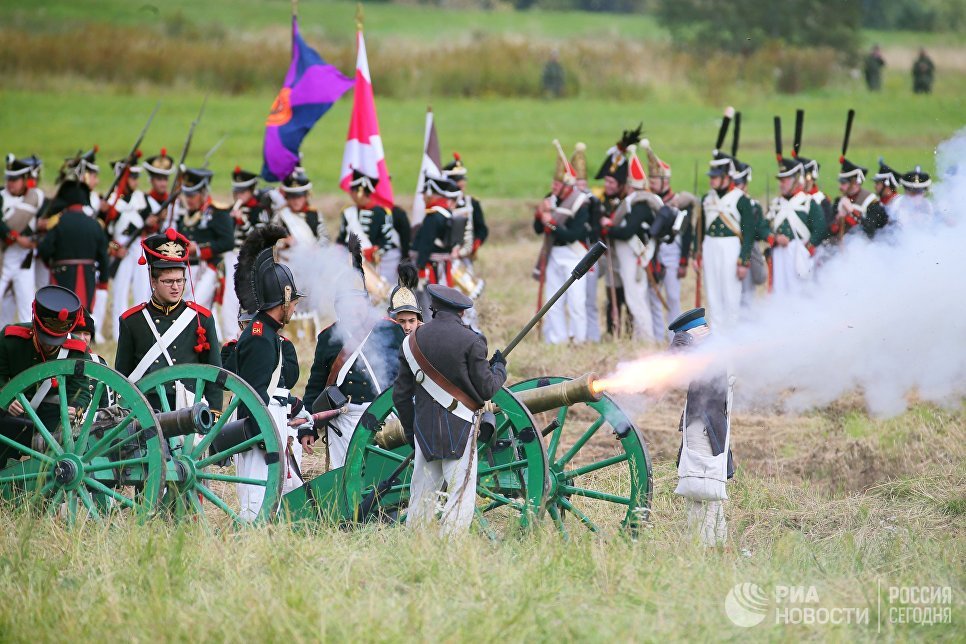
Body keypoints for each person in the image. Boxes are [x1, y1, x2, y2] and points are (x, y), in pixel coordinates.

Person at [393, 284, 507, 536]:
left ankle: (416, 547)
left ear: (432, 308)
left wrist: (414, 433)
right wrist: (499, 368)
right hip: (461, 425)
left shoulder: (411, 341)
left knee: (421, 495)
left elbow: (400, 396)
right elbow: (487, 389)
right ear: (462, 313)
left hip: (424, 430)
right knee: (460, 494)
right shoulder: (472, 341)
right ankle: (450, 550)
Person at [232, 224, 312, 515]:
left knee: (275, 499)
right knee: (256, 503)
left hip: (271, 427)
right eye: (293, 302)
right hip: (258, 435)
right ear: (284, 299)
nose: (295, 309)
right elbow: (254, 396)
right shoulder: (259, 337)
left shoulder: (267, 333)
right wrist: (263, 438)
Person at [302, 234, 394, 470]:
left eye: (357, 303)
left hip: (385, 413)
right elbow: (317, 383)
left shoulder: (388, 330)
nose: (352, 310)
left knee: (384, 472)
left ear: (366, 304)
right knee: (344, 474)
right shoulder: (328, 338)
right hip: (346, 417)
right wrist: (309, 427)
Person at [114, 230, 223, 412]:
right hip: (148, 409)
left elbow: (213, 374)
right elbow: (123, 376)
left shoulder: (201, 319)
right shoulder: (132, 321)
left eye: (180, 281)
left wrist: (214, 414)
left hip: (189, 408)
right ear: (153, 281)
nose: (176, 287)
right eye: (168, 281)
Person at [0, 285, 91, 465]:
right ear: (35, 322)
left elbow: (81, 390)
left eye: (56, 339)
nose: (50, 345)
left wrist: (75, 407)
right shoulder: (10, 340)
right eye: (45, 337)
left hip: (53, 417)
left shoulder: (77, 351)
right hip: (13, 416)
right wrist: (7, 399)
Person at [669, 308, 734, 548]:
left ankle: (703, 542)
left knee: (699, 485)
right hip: (710, 424)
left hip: (702, 425)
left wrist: (683, 342)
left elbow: (674, 361)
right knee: (707, 486)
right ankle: (715, 539)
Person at [696, 109, 756, 331]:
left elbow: (748, 232)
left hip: (731, 246)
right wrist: (696, 251)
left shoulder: (740, 200)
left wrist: (744, 259)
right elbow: (700, 228)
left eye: (716, 177)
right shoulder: (707, 199)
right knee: (713, 296)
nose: (712, 181)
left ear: (726, 178)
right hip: (710, 245)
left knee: (731, 297)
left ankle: (731, 342)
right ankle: (717, 340)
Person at [600, 144, 660, 341]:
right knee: (636, 297)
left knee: (636, 299)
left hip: (633, 257)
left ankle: (646, 338)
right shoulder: (638, 202)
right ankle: (639, 337)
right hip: (632, 256)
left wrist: (609, 228)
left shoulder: (639, 203)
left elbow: (627, 232)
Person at [37, 159, 110, 313]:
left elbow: (45, 249)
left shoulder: (58, 223)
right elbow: (103, 254)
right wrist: (103, 280)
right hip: (88, 275)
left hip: (60, 273)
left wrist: (49, 263)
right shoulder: (95, 224)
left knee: (60, 313)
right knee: (83, 315)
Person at [534, 144, 590, 344]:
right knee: (553, 301)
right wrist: (541, 216)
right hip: (553, 254)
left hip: (573, 254)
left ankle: (579, 339)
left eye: (558, 185)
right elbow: (538, 229)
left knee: (576, 302)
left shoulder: (580, 202)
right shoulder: (549, 200)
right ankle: (557, 339)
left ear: (568, 186)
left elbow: (573, 234)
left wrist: (549, 221)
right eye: (554, 184)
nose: (554, 188)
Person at [643, 139, 696, 341]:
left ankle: (677, 338)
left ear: (666, 181)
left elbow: (688, 232)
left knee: (673, 297)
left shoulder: (680, 202)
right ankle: (658, 337)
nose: (652, 183)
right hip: (655, 254)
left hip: (673, 253)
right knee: (654, 296)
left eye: (656, 180)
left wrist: (684, 261)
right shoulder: (650, 202)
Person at [765, 148, 827, 295]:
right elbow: (763, 226)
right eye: (781, 180)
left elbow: (820, 228)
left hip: (799, 252)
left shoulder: (808, 202)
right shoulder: (776, 204)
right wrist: (774, 238)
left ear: (795, 181)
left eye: (784, 180)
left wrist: (808, 248)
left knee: (800, 293)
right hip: (779, 253)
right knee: (779, 292)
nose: (781, 184)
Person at [173, 167, 233, 311]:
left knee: (195, 308)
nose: (189, 200)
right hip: (189, 269)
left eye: (192, 195)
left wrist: (199, 250)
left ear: (202, 193)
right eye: (186, 195)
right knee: (203, 313)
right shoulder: (183, 214)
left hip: (210, 268)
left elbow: (227, 242)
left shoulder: (217, 212)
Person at [220, 166, 267, 342]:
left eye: (243, 191)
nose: (239, 195)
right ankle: (231, 336)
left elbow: (260, 237)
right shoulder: (231, 209)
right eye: (237, 191)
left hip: (251, 258)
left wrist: (244, 221)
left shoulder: (259, 210)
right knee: (230, 298)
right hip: (232, 256)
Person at [104, 157, 148, 342]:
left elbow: (148, 222)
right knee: (120, 292)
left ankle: (141, 332)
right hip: (121, 246)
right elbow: (105, 233)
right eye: (132, 177)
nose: (135, 181)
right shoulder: (112, 201)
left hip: (137, 246)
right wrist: (115, 249)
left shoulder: (141, 198)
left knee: (142, 290)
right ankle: (118, 334)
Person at [0, 155, 46, 326]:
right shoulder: (1, 196)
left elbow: (42, 223)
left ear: (25, 179)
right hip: (3, 259)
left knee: (27, 309)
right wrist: (18, 238)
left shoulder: (36, 197)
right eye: (9, 178)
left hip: (24, 261)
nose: (11, 183)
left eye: (15, 179)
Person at [337, 169, 398, 284]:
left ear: (360, 191)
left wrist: (374, 252)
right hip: (348, 264)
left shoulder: (381, 213)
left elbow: (387, 242)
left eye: (353, 191)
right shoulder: (347, 213)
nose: (350, 194)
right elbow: (341, 240)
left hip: (373, 266)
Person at [412, 174, 463, 306]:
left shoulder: (433, 216)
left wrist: (420, 267)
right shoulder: (447, 213)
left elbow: (426, 245)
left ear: (430, 194)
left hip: (431, 268)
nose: (422, 197)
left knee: (428, 303)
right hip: (444, 265)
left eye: (424, 193)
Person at [571, 143, 602, 343]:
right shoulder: (569, 200)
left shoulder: (593, 201)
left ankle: (593, 335)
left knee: (589, 300)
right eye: (576, 181)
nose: (580, 185)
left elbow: (595, 229)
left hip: (587, 250)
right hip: (571, 251)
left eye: (582, 181)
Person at [831, 157, 883, 239]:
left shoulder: (872, 202)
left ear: (855, 183)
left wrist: (851, 211)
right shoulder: (839, 201)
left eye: (843, 183)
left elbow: (870, 230)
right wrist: (838, 219)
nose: (840, 187)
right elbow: (830, 231)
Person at [72, 308, 115, 407]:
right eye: (77, 333)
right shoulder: (57, 361)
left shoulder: (99, 363)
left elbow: (108, 406)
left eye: (86, 334)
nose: (82, 338)